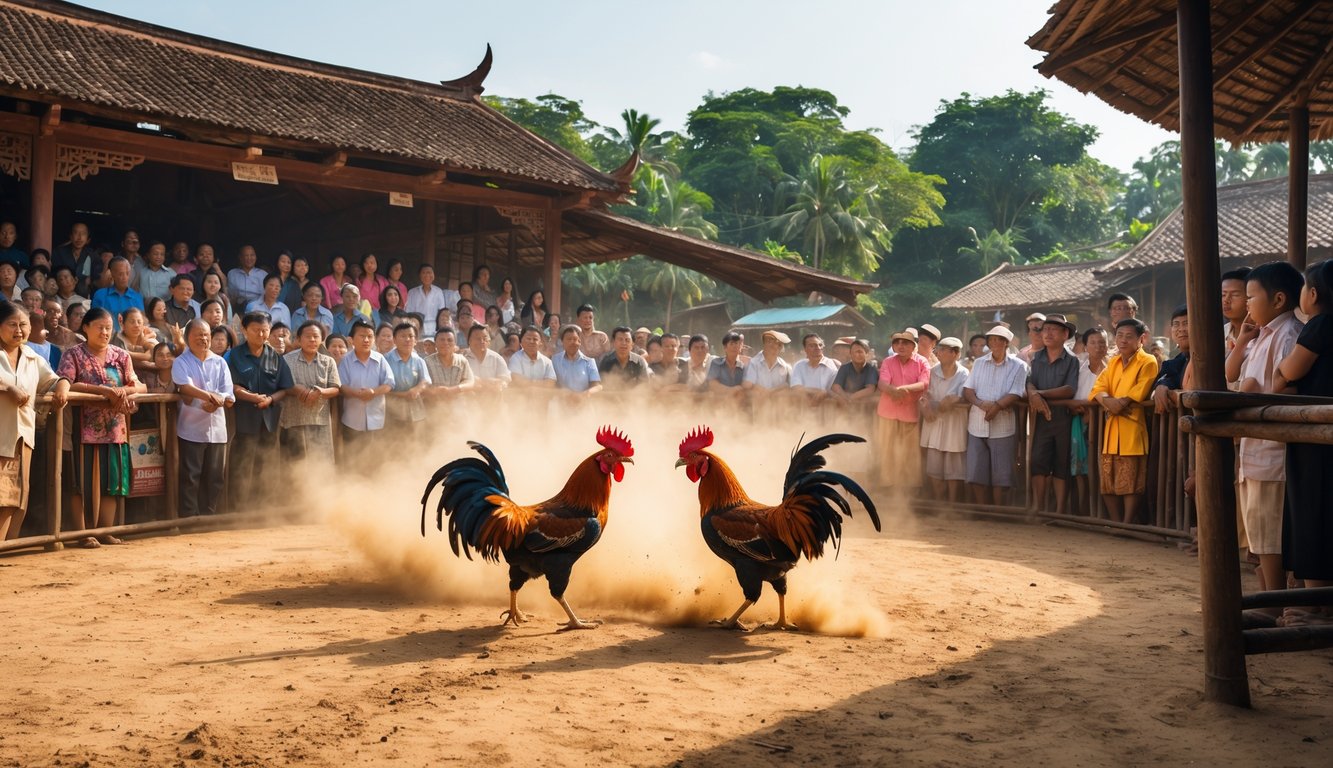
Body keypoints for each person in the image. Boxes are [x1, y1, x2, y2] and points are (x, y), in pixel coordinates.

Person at [1226, 261, 1305, 594]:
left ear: (1278, 300)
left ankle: (1278, 604)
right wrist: (1243, 341)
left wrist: (1254, 394)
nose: (1246, 305)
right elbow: (1233, 376)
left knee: (1271, 537)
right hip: (1255, 453)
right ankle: (1273, 601)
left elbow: (1292, 392)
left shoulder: (1288, 335)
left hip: (1273, 453)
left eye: (1251, 297)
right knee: (1259, 537)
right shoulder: (1260, 336)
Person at [1272, 259, 1333, 625]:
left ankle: (1317, 605)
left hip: (1315, 439)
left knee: (1313, 512)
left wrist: (1282, 375)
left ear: (1312, 293)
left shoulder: (1321, 325)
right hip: (1321, 435)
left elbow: (1285, 375)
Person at [57, 307, 145, 547]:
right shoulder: (73, 354)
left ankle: (106, 530)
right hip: (81, 428)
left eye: (108, 328)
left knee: (113, 481)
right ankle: (83, 533)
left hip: (116, 429)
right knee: (82, 482)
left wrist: (123, 391)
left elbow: (139, 386)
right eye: (99, 327)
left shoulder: (120, 355)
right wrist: (103, 391)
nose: (105, 332)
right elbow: (66, 382)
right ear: (85, 328)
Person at [0, 303, 70, 540]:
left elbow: (54, 379)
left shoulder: (32, 357)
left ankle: (9, 547)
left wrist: (62, 388)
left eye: (23, 325)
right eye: (12, 324)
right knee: (3, 495)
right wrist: (8, 388)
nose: (18, 330)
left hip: (23, 435)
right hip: (2, 435)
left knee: (19, 494)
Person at [1090, 318, 1160, 525]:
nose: (1123, 340)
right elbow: (1098, 388)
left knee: (1132, 480)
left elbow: (1140, 390)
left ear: (1141, 339)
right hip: (1112, 428)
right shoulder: (1113, 362)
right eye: (1119, 335)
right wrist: (1108, 402)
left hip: (1133, 427)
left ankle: (1127, 523)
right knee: (1108, 480)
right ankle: (1115, 522)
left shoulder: (1148, 361)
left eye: (1129, 336)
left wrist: (1117, 403)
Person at [227, 311, 293, 507]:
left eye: (265, 330)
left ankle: (263, 510)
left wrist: (270, 399)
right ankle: (238, 511)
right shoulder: (234, 355)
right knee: (241, 467)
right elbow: (231, 385)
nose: (261, 335)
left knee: (267, 465)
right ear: (244, 330)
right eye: (256, 330)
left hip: (270, 421)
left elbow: (286, 387)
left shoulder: (276, 356)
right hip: (243, 421)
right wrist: (252, 397)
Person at [172, 319, 234, 517]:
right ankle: (189, 518)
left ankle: (208, 516)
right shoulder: (181, 361)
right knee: (191, 476)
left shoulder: (220, 361)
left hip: (217, 430)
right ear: (187, 337)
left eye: (206, 334)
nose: (203, 338)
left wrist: (218, 400)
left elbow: (228, 393)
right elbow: (185, 387)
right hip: (191, 429)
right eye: (198, 334)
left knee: (215, 477)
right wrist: (209, 397)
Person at [962, 325, 1027, 505]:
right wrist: (980, 403)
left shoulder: (1019, 365)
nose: (994, 343)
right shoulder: (979, 362)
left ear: (1006, 343)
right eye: (991, 340)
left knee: (1002, 474)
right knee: (976, 471)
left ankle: (998, 511)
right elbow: (968, 389)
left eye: (998, 340)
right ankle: (983, 510)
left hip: (1003, 426)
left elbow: (1016, 392)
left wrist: (997, 407)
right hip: (977, 423)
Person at [1026, 313, 1080, 515]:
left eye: (1053, 329)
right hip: (1040, 419)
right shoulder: (1035, 357)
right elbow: (1029, 381)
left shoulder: (1071, 360)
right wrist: (1033, 392)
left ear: (1065, 334)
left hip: (1063, 418)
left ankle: (1059, 511)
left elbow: (1070, 389)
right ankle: (1038, 508)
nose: (1047, 333)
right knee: (1038, 462)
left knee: (1061, 463)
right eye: (1045, 329)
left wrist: (1039, 394)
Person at [876, 330, 930, 491]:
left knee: (909, 453)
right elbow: (882, 383)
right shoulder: (887, 361)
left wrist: (903, 389)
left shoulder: (922, 362)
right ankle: (888, 487)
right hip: (887, 413)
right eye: (897, 343)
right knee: (887, 451)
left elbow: (924, 383)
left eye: (905, 343)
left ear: (914, 346)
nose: (901, 346)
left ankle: (909, 489)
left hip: (909, 413)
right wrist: (894, 391)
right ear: (893, 346)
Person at [280, 321, 341, 459]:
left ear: (321, 340)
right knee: (294, 463)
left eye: (316, 336)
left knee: (320, 462)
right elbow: (281, 385)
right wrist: (298, 391)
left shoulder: (328, 361)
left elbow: (336, 388)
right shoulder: (286, 360)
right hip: (293, 419)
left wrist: (320, 392)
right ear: (299, 339)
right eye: (308, 336)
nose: (312, 339)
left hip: (320, 420)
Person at [920, 336, 969, 502]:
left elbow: (957, 398)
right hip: (934, 422)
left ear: (955, 353)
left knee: (954, 466)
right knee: (934, 465)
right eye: (938, 349)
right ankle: (939, 502)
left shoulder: (963, 373)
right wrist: (926, 406)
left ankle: (952, 504)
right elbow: (925, 394)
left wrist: (943, 404)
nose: (938, 352)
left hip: (954, 424)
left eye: (942, 349)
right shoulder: (932, 371)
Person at [337, 320, 394, 459]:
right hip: (352, 420)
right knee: (352, 458)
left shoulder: (380, 359)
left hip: (377, 419)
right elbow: (341, 386)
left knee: (375, 460)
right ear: (351, 340)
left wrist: (373, 392)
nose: (366, 340)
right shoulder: (345, 360)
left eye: (370, 336)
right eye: (362, 336)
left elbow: (390, 383)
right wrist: (357, 394)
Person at [1071, 327, 1108, 513]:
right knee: (1080, 467)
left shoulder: (1112, 369)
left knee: (1100, 466)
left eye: (1102, 342)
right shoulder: (1078, 369)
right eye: (1093, 342)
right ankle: (1083, 506)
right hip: (1079, 422)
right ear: (1085, 346)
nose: (1098, 346)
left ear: (1108, 346)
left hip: (1105, 424)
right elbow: (1071, 393)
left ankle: (1099, 509)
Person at [1152, 305, 1190, 414]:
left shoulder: (1203, 355)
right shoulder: (1179, 359)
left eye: (1186, 323)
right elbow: (1170, 377)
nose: (1181, 329)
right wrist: (1162, 385)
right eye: (1176, 324)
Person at [90, 257, 144, 332]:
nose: (125, 277)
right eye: (120, 274)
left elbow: (142, 322)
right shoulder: (100, 295)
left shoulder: (137, 297)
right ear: (111, 274)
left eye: (127, 273)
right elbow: (94, 322)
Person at [424, 326, 475, 400]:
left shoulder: (462, 360)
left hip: (459, 405)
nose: (445, 343)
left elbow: (470, 381)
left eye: (449, 340)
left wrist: (454, 390)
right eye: (442, 340)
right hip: (434, 405)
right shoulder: (427, 362)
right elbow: (423, 385)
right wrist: (435, 390)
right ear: (435, 343)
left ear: (455, 343)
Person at [552, 324, 601, 398]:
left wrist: (586, 393)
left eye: (575, 339)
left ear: (579, 342)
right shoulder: (555, 360)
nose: (572, 342)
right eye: (569, 339)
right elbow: (551, 384)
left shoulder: (589, 362)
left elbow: (598, 386)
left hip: (583, 403)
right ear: (562, 342)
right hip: (561, 404)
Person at [52, 222, 98, 296]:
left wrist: (90, 279)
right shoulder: (59, 252)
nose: (79, 237)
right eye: (76, 233)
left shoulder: (92, 255)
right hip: (62, 292)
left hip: (84, 294)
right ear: (70, 236)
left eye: (83, 234)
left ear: (87, 239)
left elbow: (97, 274)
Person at [790, 333, 839, 399]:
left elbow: (835, 392)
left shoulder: (831, 365)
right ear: (805, 349)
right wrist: (818, 391)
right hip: (803, 403)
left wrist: (825, 393)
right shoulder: (799, 365)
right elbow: (796, 388)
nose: (818, 348)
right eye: (812, 346)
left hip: (825, 404)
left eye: (820, 345)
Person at [743, 329, 792, 393]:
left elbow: (789, 386)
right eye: (769, 342)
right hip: (757, 401)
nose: (776, 347)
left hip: (778, 401)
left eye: (779, 345)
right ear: (765, 343)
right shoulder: (753, 363)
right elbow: (747, 385)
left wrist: (771, 392)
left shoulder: (784, 366)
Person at [406, 264, 448, 337]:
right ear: (419, 275)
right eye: (424, 273)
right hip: (417, 328)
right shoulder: (412, 292)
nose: (427, 275)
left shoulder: (438, 291)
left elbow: (442, 312)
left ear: (433, 275)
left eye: (429, 272)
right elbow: (408, 312)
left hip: (434, 329)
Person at [463, 325, 510, 390]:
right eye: (478, 338)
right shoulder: (463, 358)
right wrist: (485, 382)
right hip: (469, 394)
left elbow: (505, 379)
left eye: (485, 338)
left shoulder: (496, 358)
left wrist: (499, 383)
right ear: (469, 341)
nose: (482, 341)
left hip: (493, 395)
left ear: (489, 341)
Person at [831, 338, 878, 403]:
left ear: (866, 353)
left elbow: (870, 389)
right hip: (845, 399)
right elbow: (836, 386)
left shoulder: (871, 368)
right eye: (854, 352)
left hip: (863, 401)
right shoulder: (844, 367)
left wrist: (851, 397)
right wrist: (844, 396)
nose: (857, 355)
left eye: (860, 352)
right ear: (850, 354)